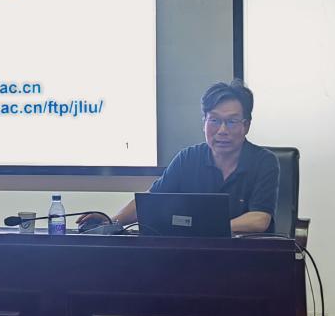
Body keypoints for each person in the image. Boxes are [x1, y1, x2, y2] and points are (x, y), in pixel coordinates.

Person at [78, 80, 280, 235]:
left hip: (245, 257)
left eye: (232, 122)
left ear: (246, 125)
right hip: (194, 255)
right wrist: (112, 223)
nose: (222, 130)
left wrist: (209, 229)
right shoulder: (188, 158)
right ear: (204, 122)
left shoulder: (264, 162)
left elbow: (259, 219)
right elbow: (150, 201)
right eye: (214, 120)